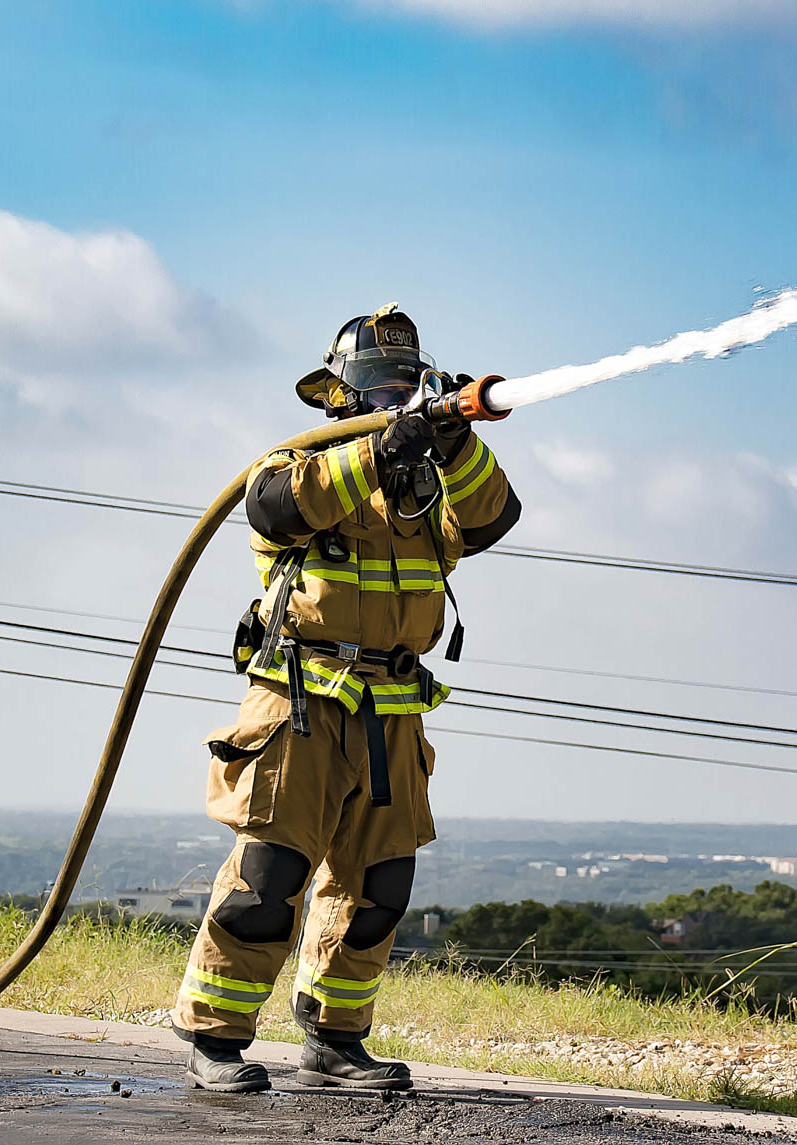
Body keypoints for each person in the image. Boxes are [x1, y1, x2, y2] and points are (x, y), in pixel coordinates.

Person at [171, 304, 520, 1092]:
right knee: (269, 877)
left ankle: (335, 1039)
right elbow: (274, 508)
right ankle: (214, 1039)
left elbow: (495, 517)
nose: (398, 398)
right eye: (382, 388)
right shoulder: (297, 464)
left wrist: (456, 442)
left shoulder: (428, 485)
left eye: (407, 384)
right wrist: (376, 450)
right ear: (343, 396)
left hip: (392, 711)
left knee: (378, 887)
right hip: (300, 703)